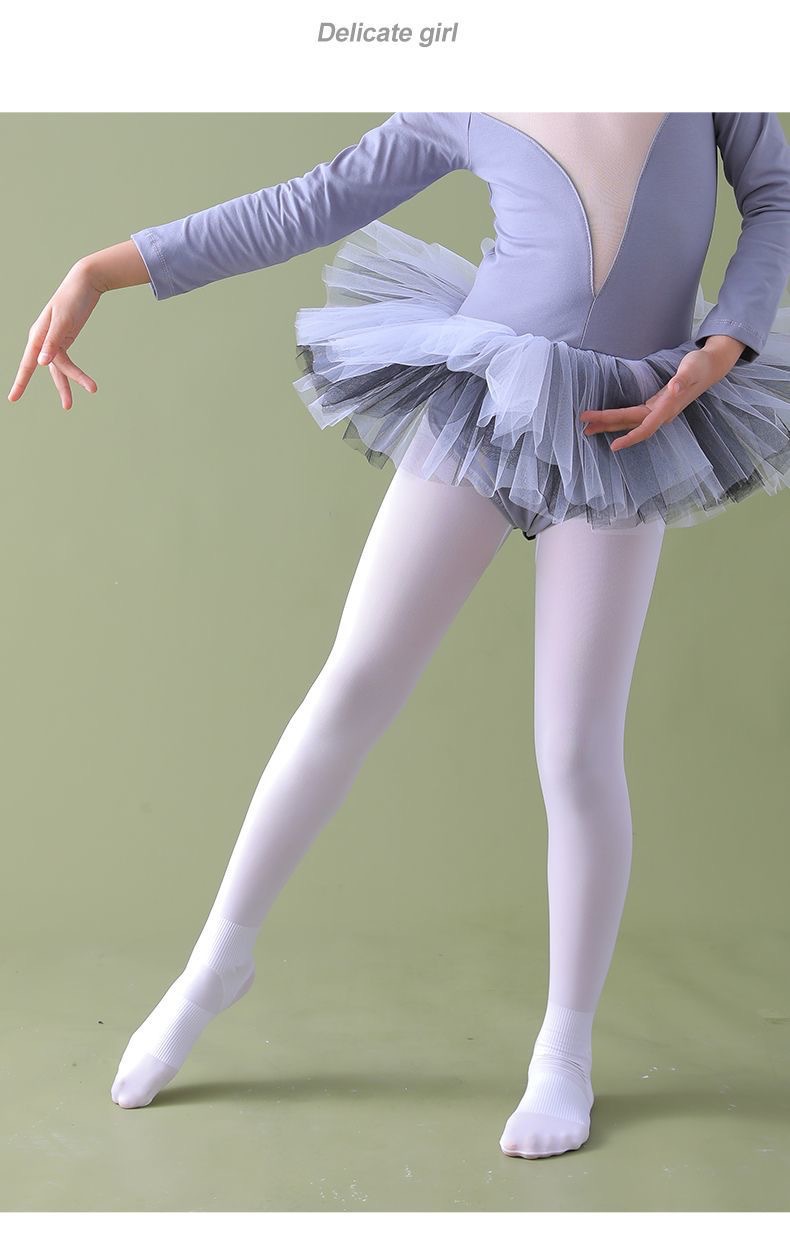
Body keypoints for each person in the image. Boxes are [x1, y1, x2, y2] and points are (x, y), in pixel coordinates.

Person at [8, 112, 790, 1162]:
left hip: (627, 421)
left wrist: (726, 338)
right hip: (482, 398)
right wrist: (104, 269)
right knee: (354, 682)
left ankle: (563, 1048)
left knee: (575, 747)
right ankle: (215, 962)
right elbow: (315, 199)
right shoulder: (472, 82)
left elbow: (776, 195)